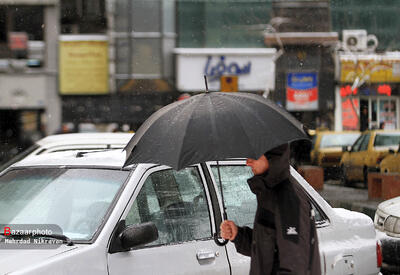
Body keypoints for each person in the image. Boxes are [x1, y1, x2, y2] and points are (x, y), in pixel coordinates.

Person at [220, 143, 321, 275]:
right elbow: (269, 249)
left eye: (254, 156)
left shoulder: (287, 197)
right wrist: (238, 235)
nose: (248, 162)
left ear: (272, 157)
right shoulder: (269, 193)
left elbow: (295, 263)